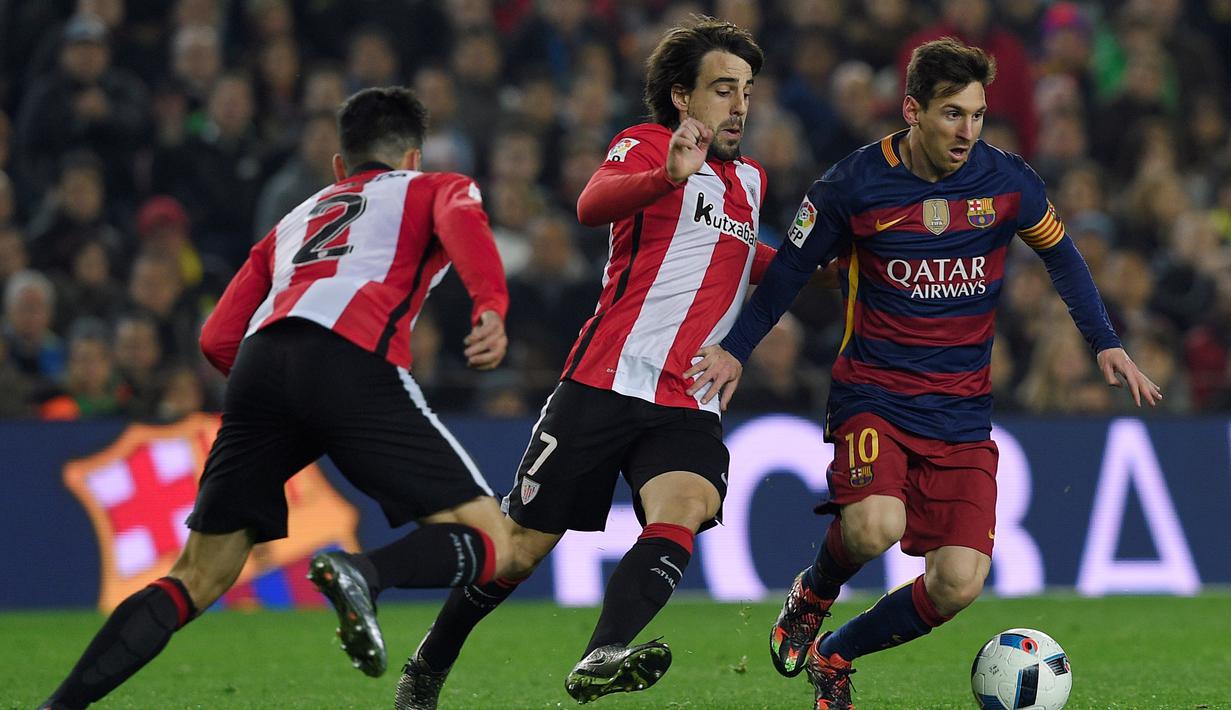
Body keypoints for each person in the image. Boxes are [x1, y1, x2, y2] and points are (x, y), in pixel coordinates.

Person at [685, 38, 1162, 710]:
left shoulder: (1006, 181)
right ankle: (812, 595)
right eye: (951, 114)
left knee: (959, 582)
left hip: (962, 414)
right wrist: (736, 346)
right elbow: (788, 275)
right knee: (874, 526)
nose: (967, 131)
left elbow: (1062, 256)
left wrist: (1104, 342)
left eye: (976, 115)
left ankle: (834, 654)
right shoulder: (849, 186)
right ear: (911, 109)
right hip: (873, 395)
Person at [40, 86, 516, 709]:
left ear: (341, 165)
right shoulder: (433, 186)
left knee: (197, 577)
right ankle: (365, 575)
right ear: (412, 158)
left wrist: (291, 402)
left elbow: (215, 338)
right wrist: (491, 308)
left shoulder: (294, 219)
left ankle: (58, 706)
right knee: (492, 541)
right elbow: (463, 219)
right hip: (353, 356)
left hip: (259, 369)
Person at [396, 16, 774, 709]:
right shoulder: (644, 143)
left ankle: (603, 650)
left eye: (745, 90)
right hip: (605, 380)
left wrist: (837, 263)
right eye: (723, 89)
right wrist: (666, 173)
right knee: (517, 550)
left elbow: (751, 262)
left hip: (687, 396)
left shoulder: (750, 180)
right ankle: (429, 663)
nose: (739, 105)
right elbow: (591, 202)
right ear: (683, 97)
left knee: (685, 506)